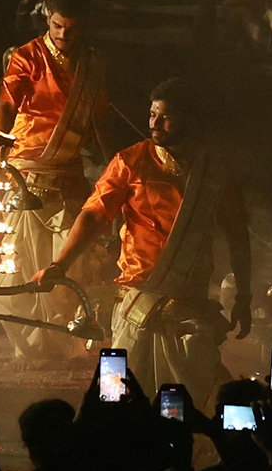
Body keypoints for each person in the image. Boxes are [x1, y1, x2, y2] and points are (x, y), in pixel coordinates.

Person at [35, 78, 252, 403]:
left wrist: (244, 298)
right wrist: (59, 264)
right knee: (114, 397)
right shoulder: (130, 161)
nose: (155, 123)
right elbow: (94, 215)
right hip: (135, 307)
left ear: (189, 120)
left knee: (180, 407)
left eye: (165, 117)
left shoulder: (215, 171)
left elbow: (238, 235)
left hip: (188, 312)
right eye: (152, 114)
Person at [0, 0, 109, 364]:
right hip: (27, 174)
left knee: (67, 265)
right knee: (21, 267)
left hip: (69, 176)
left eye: (71, 29)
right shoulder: (27, 56)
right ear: (47, 19)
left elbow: (100, 121)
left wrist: (114, 164)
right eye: (57, 26)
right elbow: (6, 107)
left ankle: (57, 346)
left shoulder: (94, 65)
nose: (63, 36)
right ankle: (28, 348)